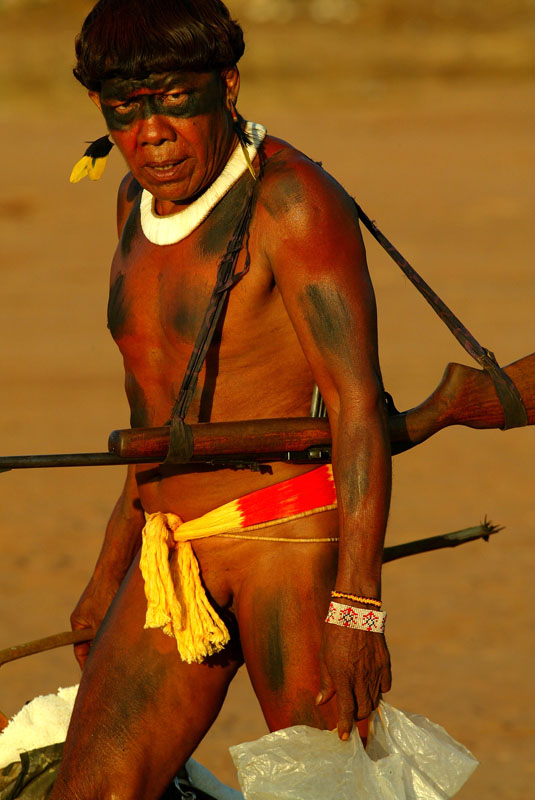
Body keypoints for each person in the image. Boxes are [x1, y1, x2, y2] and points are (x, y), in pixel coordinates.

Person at [51, 1, 392, 797]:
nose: (153, 134)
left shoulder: (291, 202)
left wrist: (356, 610)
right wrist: (110, 568)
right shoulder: (131, 203)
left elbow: (356, 408)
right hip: (170, 551)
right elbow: (153, 413)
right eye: (126, 110)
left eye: (176, 100)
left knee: (322, 790)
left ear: (226, 87)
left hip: (286, 543)